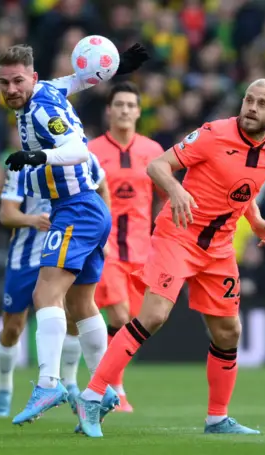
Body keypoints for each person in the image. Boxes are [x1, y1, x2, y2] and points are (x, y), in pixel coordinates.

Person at [75, 79, 265, 437]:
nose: (251, 107)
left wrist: (256, 219)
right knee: (153, 316)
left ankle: (217, 418)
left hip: (218, 248)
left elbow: (242, 188)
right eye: (249, 99)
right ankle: (91, 396)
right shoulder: (213, 133)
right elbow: (157, 165)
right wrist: (175, 189)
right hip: (179, 234)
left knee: (228, 331)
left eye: (262, 103)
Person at [0, 43, 149, 426]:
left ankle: (49, 384)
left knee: (45, 293)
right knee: (82, 305)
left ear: (31, 78)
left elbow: (77, 150)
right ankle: (103, 388)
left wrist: (36, 157)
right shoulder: (47, 89)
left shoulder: (42, 108)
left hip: (75, 208)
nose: (11, 89)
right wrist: (116, 69)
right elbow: (75, 80)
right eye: (4, 82)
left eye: (17, 81)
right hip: (91, 209)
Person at [0, 152, 109, 418]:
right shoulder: (22, 165)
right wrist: (33, 220)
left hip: (68, 247)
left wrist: (104, 232)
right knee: (12, 328)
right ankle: (4, 386)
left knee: (74, 314)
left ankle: (68, 382)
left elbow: (102, 187)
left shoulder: (84, 156)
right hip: (26, 256)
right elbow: (6, 213)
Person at [83, 81, 164, 412]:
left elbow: (166, 196)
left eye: (131, 105)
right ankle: (114, 387)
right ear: (109, 110)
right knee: (117, 312)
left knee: (130, 321)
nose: (125, 110)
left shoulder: (153, 150)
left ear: (139, 111)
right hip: (107, 248)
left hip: (142, 251)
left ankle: (95, 383)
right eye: (119, 104)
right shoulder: (92, 152)